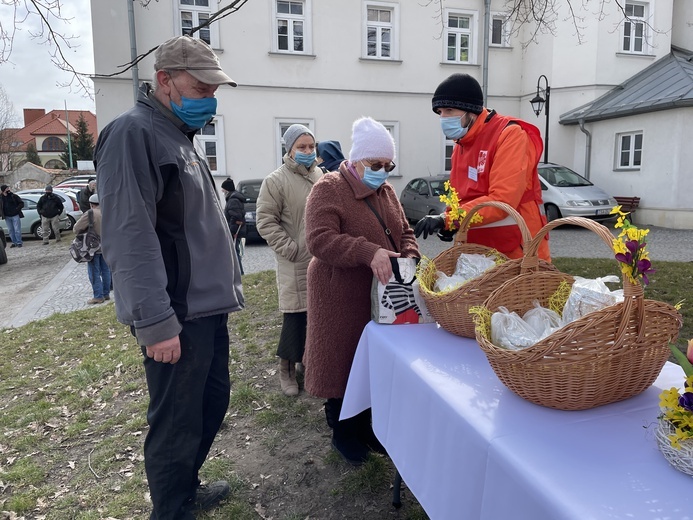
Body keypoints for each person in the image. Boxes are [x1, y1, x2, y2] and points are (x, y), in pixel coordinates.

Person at [93, 35, 244, 519]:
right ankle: (172, 509)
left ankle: (185, 487)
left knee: (209, 404)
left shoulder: (176, 134)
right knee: (176, 422)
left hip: (206, 309)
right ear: (165, 80)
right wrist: (155, 322)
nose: (210, 100)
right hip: (175, 313)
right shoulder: (133, 134)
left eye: (214, 90)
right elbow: (129, 234)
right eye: (201, 88)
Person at [303, 117, 420, 465]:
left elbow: (404, 231)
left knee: (372, 362)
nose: (383, 171)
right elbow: (319, 240)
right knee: (342, 362)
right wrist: (368, 252)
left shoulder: (387, 191)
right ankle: (342, 431)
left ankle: (368, 427)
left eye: (388, 165)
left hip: (383, 295)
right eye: (376, 164)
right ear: (355, 161)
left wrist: (410, 255)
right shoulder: (328, 188)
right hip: (339, 294)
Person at [415, 73, 551, 262]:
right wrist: (449, 224)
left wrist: (449, 219)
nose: (443, 118)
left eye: (449, 110)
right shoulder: (461, 145)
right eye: (440, 112)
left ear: (471, 111)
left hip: (517, 250)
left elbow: (502, 200)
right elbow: (459, 199)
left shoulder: (509, 135)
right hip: (477, 251)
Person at [256, 124, 322, 397]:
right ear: (290, 150)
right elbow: (265, 220)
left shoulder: (321, 175)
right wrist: (290, 248)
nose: (307, 152)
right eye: (301, 147)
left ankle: (309, 363)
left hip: (319, 260)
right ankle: (286, 368)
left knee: (315, 317)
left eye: (311, 146)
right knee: (294, 319)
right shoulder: (275, 180)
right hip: (294, 261)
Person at [73, 193, 111, 304]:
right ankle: (106, 293)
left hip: (92, 247)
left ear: (91, 204)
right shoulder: (107, 212)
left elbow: (76, 228)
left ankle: (98, 296)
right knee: (106, 271)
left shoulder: (91, 213)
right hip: (105, 245)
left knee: (94, 272)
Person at [221, 177, 246, 275]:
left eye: (223, 189)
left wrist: (232, 232)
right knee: (234, 251)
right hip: (235, 230)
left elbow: (236, 218)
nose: (222, 191)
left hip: (235, 231)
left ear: (227, 190)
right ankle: (237, 272)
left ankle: (239, 272)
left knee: (234, 252)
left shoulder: (233, 200)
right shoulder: (233, 198)